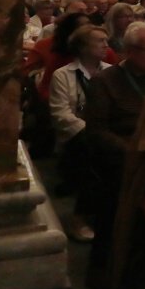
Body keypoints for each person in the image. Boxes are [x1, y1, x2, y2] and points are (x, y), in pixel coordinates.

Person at [82, 23, 145, 289]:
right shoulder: (105, 82)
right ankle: (109, 267)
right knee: (117, 193)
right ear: (129, 51)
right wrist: (131, 151)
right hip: (122, 159)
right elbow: (97, 131)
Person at [49, 25, 112, 242]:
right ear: (83, 47)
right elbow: (61, 114)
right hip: (77, 137)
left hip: (106, 134)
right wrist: (93, 131)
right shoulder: (63, 75)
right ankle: (79, 217)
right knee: (93, 151)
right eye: (100, 41)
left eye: (107, 40)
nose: (106, 45)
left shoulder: (111, 71)